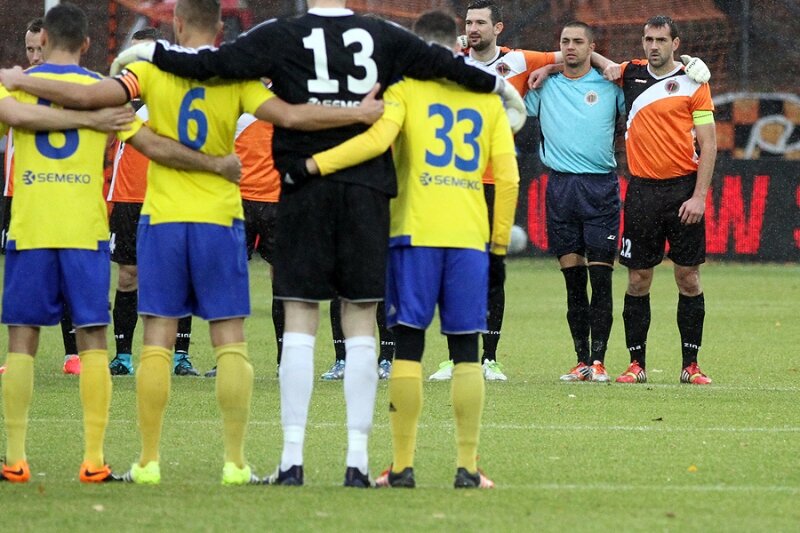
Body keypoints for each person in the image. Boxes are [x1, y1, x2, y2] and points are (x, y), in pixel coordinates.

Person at [109, 0, 525, 488]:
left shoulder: (281, 33)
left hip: (303, 189)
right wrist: (498, 88)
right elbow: (442, 62)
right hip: (368, 192)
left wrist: (151, 53)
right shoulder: (382, 33)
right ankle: (359, 463)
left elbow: (214, 63)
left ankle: (292, 461)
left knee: (301, 318)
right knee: (363, 320)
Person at [0, 0, 384, 486]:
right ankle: (234, 463)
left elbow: (97, 100)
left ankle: (146, 461)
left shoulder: (149, 71)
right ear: (221, 27)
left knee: (151, 340)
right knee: (229, 340)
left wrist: (20, 78)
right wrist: (354, 112)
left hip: (153, 220)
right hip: (217, 219)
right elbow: (291, 115)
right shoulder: (235, 77)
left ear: (176, 24)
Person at [0, 2, 243, 484]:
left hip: (30, 227)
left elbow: (10, 114)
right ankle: (93, 460)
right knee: (93, 339)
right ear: (88, 44)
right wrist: (214, 164)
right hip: (85, 230)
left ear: (42, 41)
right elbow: (154, 146)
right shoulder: (103, 95)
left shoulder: (17, 86)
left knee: (21, 342)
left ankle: (14, 458)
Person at [307, 9, 519, 488]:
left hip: (413, 236)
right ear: (458, 45)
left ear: (415, 46)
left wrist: (315, 164)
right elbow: (508, 179)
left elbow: (373, 142)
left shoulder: (404, 91)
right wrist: (499, 248)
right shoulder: (486, 99)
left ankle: (402, 466)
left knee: (407, 347)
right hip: (468, 240)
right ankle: (468, 468)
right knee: (466, 350)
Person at [612, 16, 717, 385]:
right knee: (638, 279)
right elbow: (592, 59)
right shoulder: (630, 74)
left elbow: (709, 146)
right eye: (648, 39)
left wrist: (699, 197)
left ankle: (691, 365)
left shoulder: (695, 81)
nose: (653, 46)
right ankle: (636, 364)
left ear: (676, 43)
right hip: (642, 191)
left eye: (660, 39)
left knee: (688, 278)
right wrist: (546, 69)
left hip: (683, 190)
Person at [523, 22, 624, 382]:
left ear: (591, 47)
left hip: (600, 188)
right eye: (565, 41)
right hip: (561, 188)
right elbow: (510, 90)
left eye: (578, 42)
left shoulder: (611, 86)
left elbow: (641, 83)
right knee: (573, 282)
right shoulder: (544, 85)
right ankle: (581, 360)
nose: (570, 47)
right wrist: (547, 69)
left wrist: (600, 62)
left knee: (601, 279)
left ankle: (599, 362)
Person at [106, 27, 198, 377]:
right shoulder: (119, 101)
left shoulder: (177, 96)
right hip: (128, 198)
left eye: (144, 54)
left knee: (178, 276)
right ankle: (123, 356)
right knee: (128, 276)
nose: (137, 63)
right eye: (132, 56)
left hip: (169, 197)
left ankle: (180, 356)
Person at [0, 17, 81, 377]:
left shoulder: (75, 89)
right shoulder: (15, 89)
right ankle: (18, 357)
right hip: (18, 194)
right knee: (21, 278)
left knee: (66, 274)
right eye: (29, 48)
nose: (34, 56)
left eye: (40, 48)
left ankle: (73, 353)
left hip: (61, 194)